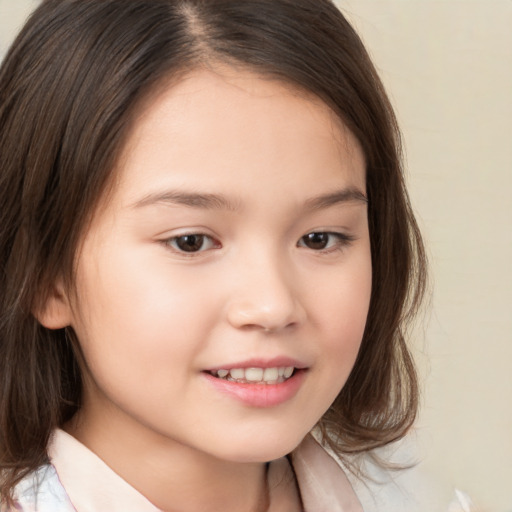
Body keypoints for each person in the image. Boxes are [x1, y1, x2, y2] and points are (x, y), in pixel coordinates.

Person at [0, 0, 433, 510]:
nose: (273, 306)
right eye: (191, 241)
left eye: (320, 238)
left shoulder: (409, 497)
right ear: (47, 275)